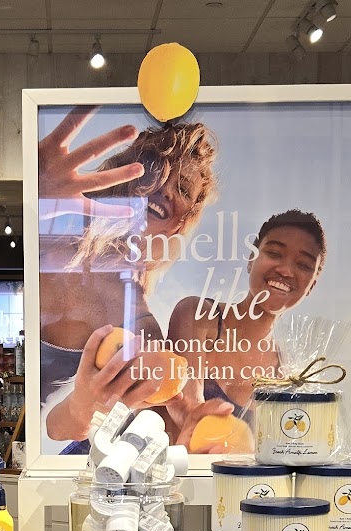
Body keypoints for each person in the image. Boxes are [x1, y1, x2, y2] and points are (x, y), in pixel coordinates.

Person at [38, 111, 217, 446]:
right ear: (126, 171)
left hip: (57, 459)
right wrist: (35, 192)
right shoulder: (54, 233)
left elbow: (57, 428)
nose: (166, 189)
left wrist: (81, 409)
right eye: (156, 168)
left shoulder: (137, 319)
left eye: (182, 188)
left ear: (178, 224)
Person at [166, 208, 327, 420]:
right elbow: (186, 409)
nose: (286, 271)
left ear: (311, 285)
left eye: (303, 265)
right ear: (251, 259)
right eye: (274, 253)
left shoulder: (289, 372)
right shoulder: (199, 315)